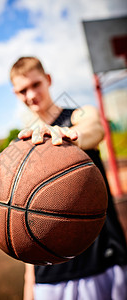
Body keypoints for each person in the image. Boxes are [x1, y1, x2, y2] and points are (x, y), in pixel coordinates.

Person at [9, 56, 127, 300]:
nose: (31, 95)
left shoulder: (77, 117)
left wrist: (70, 135)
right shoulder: (23, 143)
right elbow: (24, 221)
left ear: (48, 80)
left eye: (35, 84)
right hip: (50, 275)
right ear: (15, 93)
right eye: (22, 90)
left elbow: (94, 128)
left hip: (101, 259)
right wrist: (29, 282)